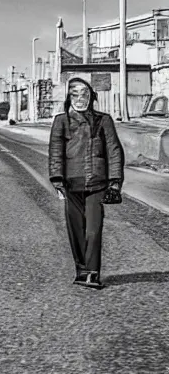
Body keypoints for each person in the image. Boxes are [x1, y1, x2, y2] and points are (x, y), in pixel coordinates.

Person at [48, 77, 125, 289]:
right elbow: (56, 152)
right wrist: (57, 180)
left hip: (97, 184)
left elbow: (114, 151)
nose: (80, 98)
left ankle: (93, 273)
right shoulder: (61, 121)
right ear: (69, 97)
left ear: (91, 96)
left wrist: (115, 182)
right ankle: (81, 270)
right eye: (75, 94)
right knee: (76, 230)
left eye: (84, 94)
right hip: (71, 184)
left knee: (93, 230)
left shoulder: (104, 120)